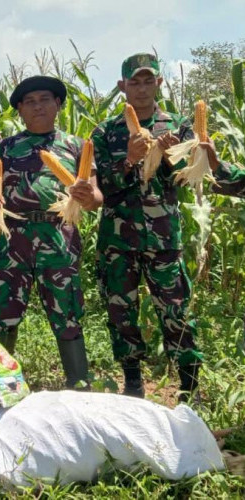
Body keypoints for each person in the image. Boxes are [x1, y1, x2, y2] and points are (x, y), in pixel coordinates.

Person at [91, 53, 233, 400]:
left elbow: (191, 177)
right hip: (117, 241)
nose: (141, 89)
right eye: (134, 82)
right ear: (122, 86)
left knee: (176, 312)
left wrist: (169, 157)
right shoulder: (106, 132)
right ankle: (134, 381)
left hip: (163, 237)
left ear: (159, 83)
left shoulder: (180, 126)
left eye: (148, 80)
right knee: (121, 313)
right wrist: (129, 159)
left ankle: (189, 385)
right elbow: (99, 190)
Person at [0, 75, 103, 389]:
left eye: (45, 99)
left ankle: (78, 386)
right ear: (20, 109)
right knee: (0, 312)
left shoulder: (75, 146)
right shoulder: (6, 147)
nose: (38, 107)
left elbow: (97, 197)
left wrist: (89, 198)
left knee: (67, 313)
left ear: (58, 104)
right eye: (29, 102)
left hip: (58, 236)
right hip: (12, 237)